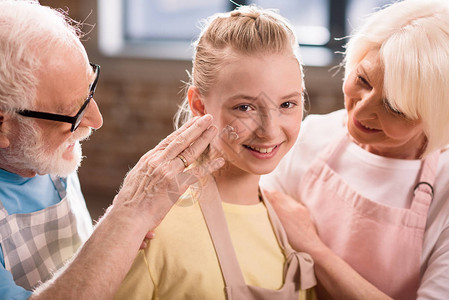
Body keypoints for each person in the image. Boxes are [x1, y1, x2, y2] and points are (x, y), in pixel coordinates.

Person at [0, 1, 224, 299]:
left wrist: (114, 239)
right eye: (74, 113)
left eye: (89, 90)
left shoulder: (43, 157)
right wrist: (127, 217)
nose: (96, 120)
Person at [114, 5, 317, 300]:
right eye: (244, 107)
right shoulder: (154, 231)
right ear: (199, 105)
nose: (270, 131)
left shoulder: (293, 222)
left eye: (287, 104)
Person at [260, 0, 449, 299]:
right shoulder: (312, 135)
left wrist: (313, 249)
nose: (361, 111)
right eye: (363, 80)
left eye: (394, 107)